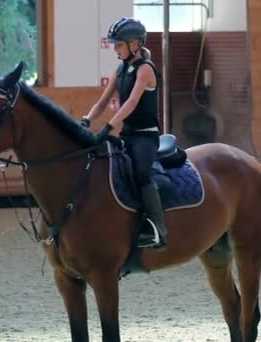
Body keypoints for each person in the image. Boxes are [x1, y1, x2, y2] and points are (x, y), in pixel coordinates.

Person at [80, 17, 166, 249]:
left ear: (135, 44)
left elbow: (131, 103)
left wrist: (108, 127)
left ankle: (158, 228)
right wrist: (87, 120)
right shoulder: (120, 69)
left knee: (140, 173)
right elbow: (102, 102)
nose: (115, 49)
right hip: (127, 135)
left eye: (118, 45)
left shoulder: (146, 70)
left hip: (146, 136)